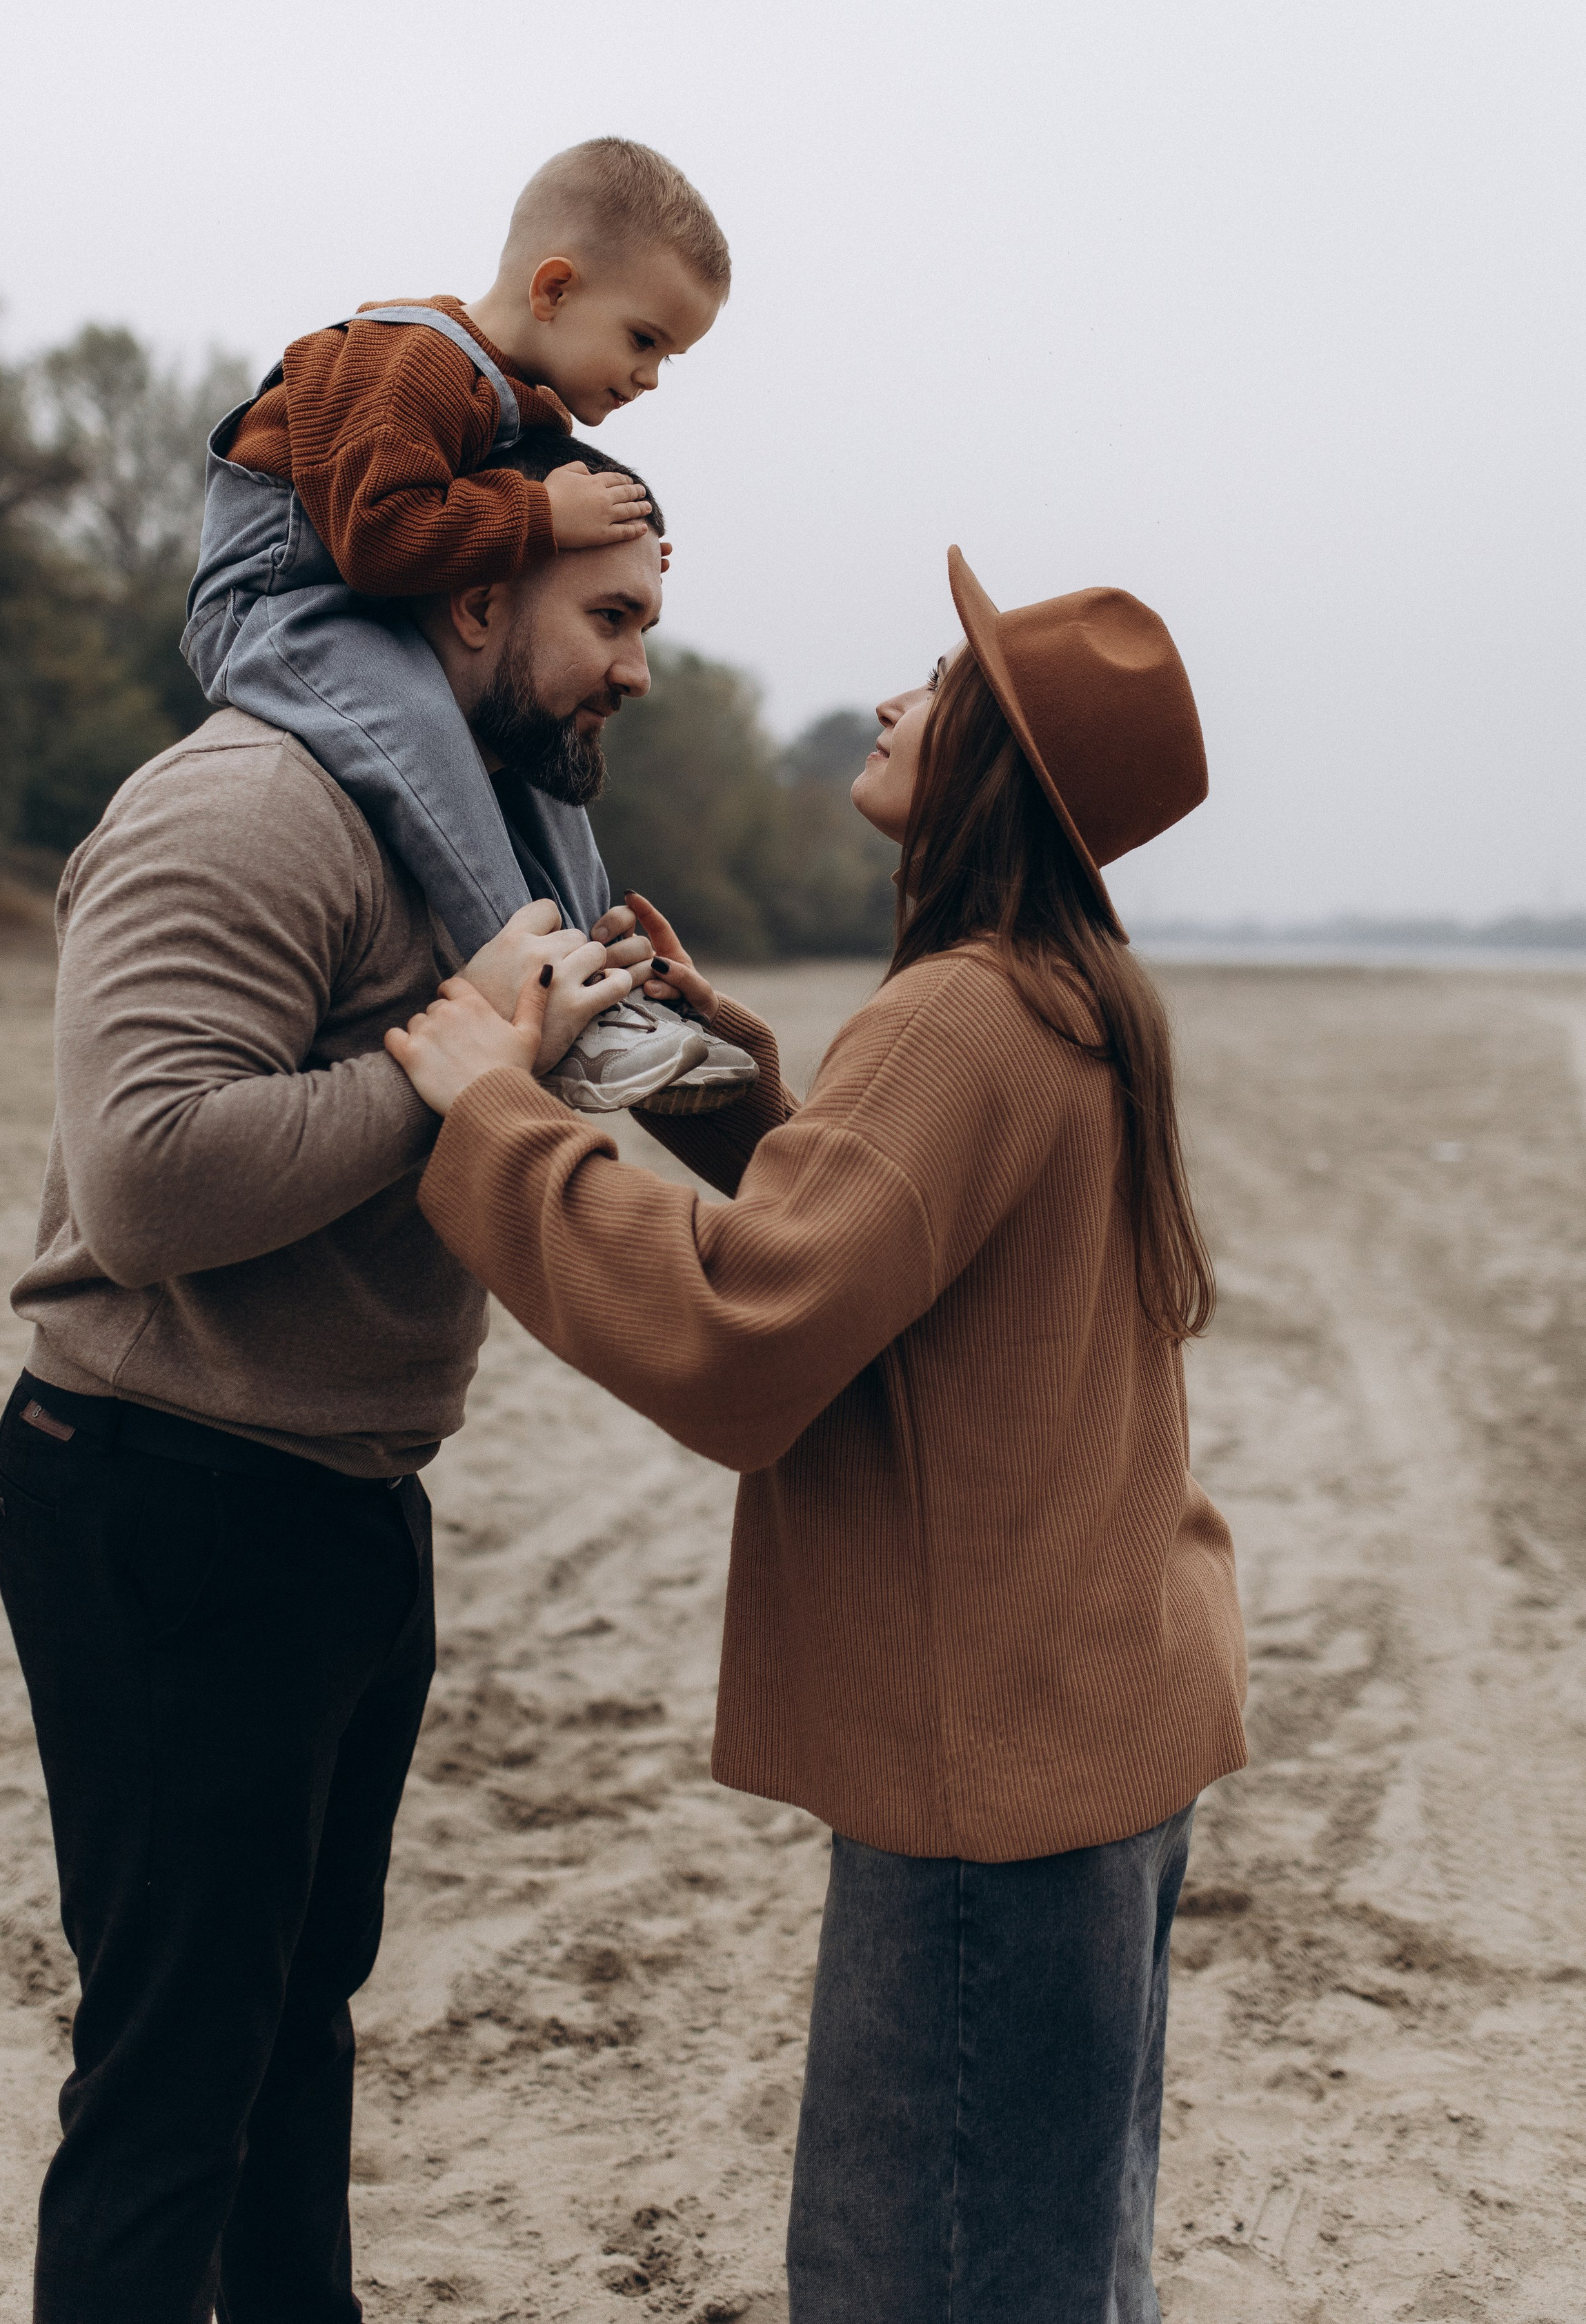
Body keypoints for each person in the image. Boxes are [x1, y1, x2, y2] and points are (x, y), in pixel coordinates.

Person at [389, 546, 1250, 2323]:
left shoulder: (960, 1013)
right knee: (1056, 2263)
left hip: (992, 1773)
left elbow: (737, 1341)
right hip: (1099, 1729)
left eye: (937, 687)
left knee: (915, 2280)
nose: (886, 701)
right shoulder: (1068, 993)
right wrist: (738, 1101)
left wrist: (494, 1120)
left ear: (995, 765)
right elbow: (899, 1266)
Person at [0, 485, 675, 2323]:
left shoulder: (475, 846)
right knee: (173, 2086)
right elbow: (143, 1187)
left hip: (344, 1504)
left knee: (293, 2038)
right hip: (167, 1491)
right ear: (472, 605)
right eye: (609, 618)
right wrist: (448, 1062)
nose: (636, 666)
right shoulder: (247, 806)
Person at [180, 133, 752, 1114]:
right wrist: (542, 519)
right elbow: (378, 538)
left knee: (539, 756)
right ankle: (546, 1006)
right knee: (423, 738)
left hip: (365, 609)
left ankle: (600, 985)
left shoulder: (520, 403)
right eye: (646, 341)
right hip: (279, 609)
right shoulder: (417, 364)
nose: (651, 377)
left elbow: (525, 500)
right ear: (555, 289)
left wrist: (615, 542)